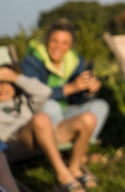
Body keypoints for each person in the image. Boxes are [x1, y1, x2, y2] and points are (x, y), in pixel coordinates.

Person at [0, 61, 96, 191]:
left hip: (42, 135)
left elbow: (45, 92)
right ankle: (63, 177)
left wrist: (16, 77)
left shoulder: (24, 100)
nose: (3, 88)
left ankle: (74, 168)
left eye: (9, 83)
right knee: (41, 119)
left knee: (88, 118)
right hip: (13, 144)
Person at [22, 19, 108, 146]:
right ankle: (60, 150)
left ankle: (80, 148)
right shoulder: (32, 62)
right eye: (54, 41)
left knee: (101, 105)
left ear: (71, 45)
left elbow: (76, 100)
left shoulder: (75, 61)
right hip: (39, 117)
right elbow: (33, 94)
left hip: (66, 112)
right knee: (51, 106)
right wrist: (69, 88)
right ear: (46, 41)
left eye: (65, 43)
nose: (58, 47)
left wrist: (88, 91)